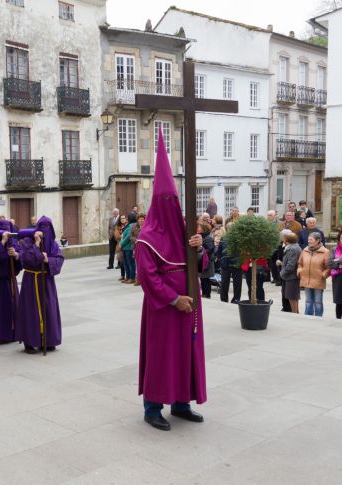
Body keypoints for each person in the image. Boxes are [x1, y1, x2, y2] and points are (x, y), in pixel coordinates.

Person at [136, 131, 206, 431]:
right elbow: (148, 279)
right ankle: (153, 407)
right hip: (164, 310)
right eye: (166, 200)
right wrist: (174, 299)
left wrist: (199, 247)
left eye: (174, 200)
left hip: (190, 306)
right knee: (162, 355)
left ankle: (181, 402)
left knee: (186, 353)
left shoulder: (184, 231)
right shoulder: (145, 239)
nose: (171, 204)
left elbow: (201, 266)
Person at [16, 216, 64, 354]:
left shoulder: (53, 244)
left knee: (48, 309)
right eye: (42, 227)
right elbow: (27, 259)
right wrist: (36, 245)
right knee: (30, 311)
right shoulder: (27, 241)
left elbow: (59, 259)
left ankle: (49, 340)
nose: (44, 231)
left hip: (46, 281)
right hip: (31, 280)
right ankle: (30, 342)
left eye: (47, 228)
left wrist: (48, 259)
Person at [297, 232, 330, 317]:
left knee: (318, 301)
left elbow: (328, 267)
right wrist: (300, 270)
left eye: (311, 239)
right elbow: (300, 263)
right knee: (308, 300)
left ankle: (318, 318)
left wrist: (323, 275)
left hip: (318, 280)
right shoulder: (305, 250)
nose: (308, 241)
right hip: (306, 279)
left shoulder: (325, 252)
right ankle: (308, 317)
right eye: (308, 239)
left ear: (318, 240)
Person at [215, 232, 242, 304]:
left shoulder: (239, 238)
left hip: (236, 264)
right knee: (224, 283)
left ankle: (236, 299)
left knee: (237, 283)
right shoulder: (224, 238)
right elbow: (219, 251)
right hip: (225, 264)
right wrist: (221, 259)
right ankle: (224, 299)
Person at [278, 232, 302, 314]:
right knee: (290, 296)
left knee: (292, 297)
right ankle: (296, 313)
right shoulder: (291, 248)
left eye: (284, 238)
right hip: (289, 277)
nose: (282, 240)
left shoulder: (293, 249)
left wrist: (282, 273)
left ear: (287, 240)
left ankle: (295, 314)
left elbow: (291, 265)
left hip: (292, 277)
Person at [198, 222, 215, 298]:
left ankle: (207, 295)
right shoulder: (201, 236)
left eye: (199, 227)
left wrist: (201, 251)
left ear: (204, 229)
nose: (198, 228)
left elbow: (210, 249)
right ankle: (204, 294)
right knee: (202, 279)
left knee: (206, 280)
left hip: (206, 262)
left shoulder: (208, 238)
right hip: (202, 261)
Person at [120, 212, 137, 284]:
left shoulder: (132, 226)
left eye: (128, 217)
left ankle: (132, 277)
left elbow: (127, 237)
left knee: (130, 263)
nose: (126, 219)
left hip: (129, 247)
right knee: (126, 263)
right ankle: (128, 277)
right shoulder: (129, 225)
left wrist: (121, 243)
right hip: (125, 248)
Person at [130, 213, 145, 286]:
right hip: (136, 247)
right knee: (137, 263)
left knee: (144, 264)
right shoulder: (134, 227)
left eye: (142, 219)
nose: (141, 220)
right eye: (140, 219)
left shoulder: (147, 226)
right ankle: (137, 279)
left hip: (145, 248)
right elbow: (131, 236)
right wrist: (136, 240)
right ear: (137, 220)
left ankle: (144, 279)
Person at [114, 214, 128, 280]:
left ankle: (129, 276)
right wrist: (122, 236)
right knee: (122, 262)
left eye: (124, 218)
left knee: (128, 262)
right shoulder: (118, 227)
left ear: (126, 219)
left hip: (127, 246)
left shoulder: (128, 226)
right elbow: (116, 236)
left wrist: (122, 235)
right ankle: (122, 275)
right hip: (120, 247)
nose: (122, 219)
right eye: (121, 218)